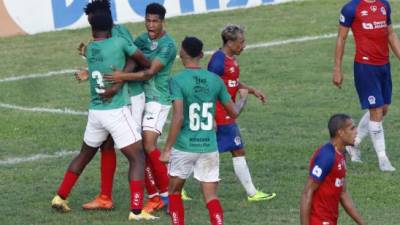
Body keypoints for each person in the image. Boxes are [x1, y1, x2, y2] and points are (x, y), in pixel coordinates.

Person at [50, 9, 158, 221]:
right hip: (115, 111)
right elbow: (143, 62)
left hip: (95, 112)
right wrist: (120, 79)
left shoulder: (90, 49)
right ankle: (136, 212)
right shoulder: (118, 43)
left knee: (84, 155)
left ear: (92, 27)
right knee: (137, 158)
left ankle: (60, 197)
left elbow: (96, 62)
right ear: (111, 26)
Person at [159, 36, 247, 225]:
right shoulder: (215, 80)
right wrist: (243, 98)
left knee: (174, 192)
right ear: (200, 55)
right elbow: (234, 112)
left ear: (181, 53)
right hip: (209, 146)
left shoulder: (177, 81)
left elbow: (178, 116)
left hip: (185, 146)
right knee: (211, 197)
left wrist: (167, 149)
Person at [76, 0, 148, 210]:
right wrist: (88, 70)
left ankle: (155, 196)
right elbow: (107, 63)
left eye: (92, 18)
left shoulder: (119, 33)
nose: (90, 24)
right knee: (107, 146)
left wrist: (118, 83)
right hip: (113, 101)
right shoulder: (100, 38)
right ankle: (105, 197)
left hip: (129, 96)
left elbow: (133, 59)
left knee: (138, 150)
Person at [104, 2, 177, 213]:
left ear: (162, 22)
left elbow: (149, 73)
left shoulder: (168, 45)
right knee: (138, 147)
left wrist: (120, 77)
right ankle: (157, 195)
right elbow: (129, 58)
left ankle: (168, 195)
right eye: (148, 20)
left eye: (155, 21)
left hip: (159, 99)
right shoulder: (142, 40)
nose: (151, 25)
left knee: (148, 145)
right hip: (141, 97)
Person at [207, 24, 276, 201]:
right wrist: (211, 117)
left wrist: (252, 90)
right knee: (235, 150)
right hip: (222, 114)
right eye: (241, 42)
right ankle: (252, 193)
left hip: (225, 112)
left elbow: (232, 83)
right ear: (230, 42)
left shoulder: (230, 59)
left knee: (206, 151)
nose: (244, 45)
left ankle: (174, 184)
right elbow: (208, 88)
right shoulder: (217, 62)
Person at [332, 0, 400, 171]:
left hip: (384, 66)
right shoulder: (351, 8)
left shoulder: (384, 5)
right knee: (376, 110)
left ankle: (353, 143)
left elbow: (391, 34)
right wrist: (337, 68)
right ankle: (383, 159)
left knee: (382, 110)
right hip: (365, 67)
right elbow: (341, 37)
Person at [300, 114, 366, 225]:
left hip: (330, 220)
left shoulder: (341, 153)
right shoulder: (326, 156)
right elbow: (307, 192)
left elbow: (343, 193)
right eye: (352, 128)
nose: (356, 132)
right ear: (340, 132)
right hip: (319, 221)